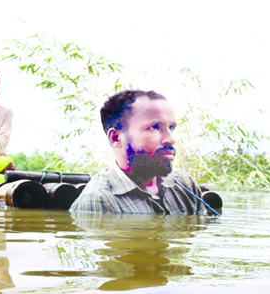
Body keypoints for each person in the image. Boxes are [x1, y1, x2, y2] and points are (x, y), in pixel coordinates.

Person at [69, 89, 207, 214]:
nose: (171, 139)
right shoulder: (97, 203)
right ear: (116, 138)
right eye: (154, 127)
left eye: (171, 128)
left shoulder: (183, 183)